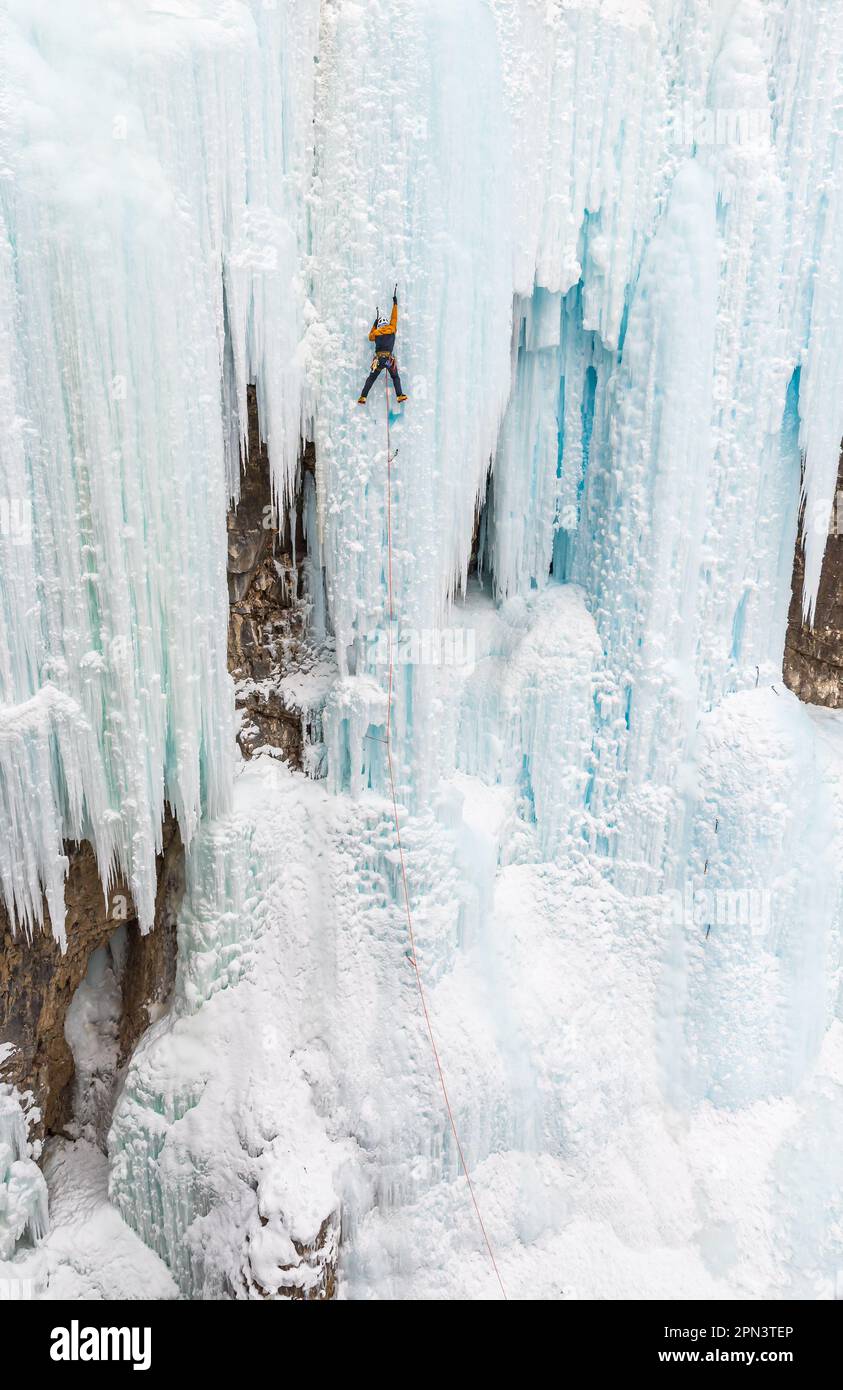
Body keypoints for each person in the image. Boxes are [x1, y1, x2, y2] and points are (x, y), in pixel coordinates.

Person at [357, 284, 408, 404]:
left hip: (379, 360)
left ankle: (363, 397)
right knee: (395, 377)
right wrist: (395, 304)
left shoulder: (376, 332)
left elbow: (370, 337)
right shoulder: (392, 328)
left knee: (371, 378)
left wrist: (374, 324)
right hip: (389, 360)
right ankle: (399, 395)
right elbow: (394, 317)